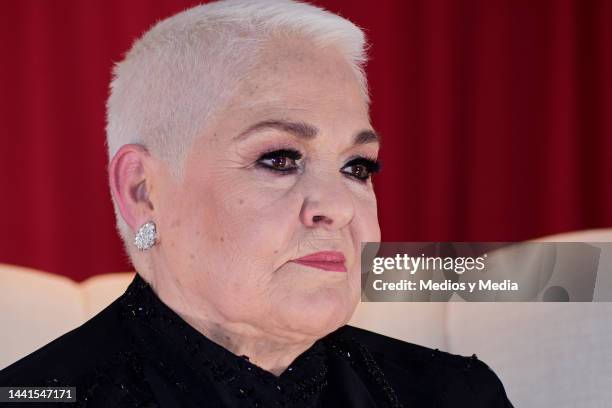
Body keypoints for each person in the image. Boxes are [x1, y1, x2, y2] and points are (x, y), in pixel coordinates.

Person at [0, 0, 513, 406]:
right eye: (280, 159)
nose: (339, 207)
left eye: (358, 167)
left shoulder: (453, 394)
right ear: (143, 190)